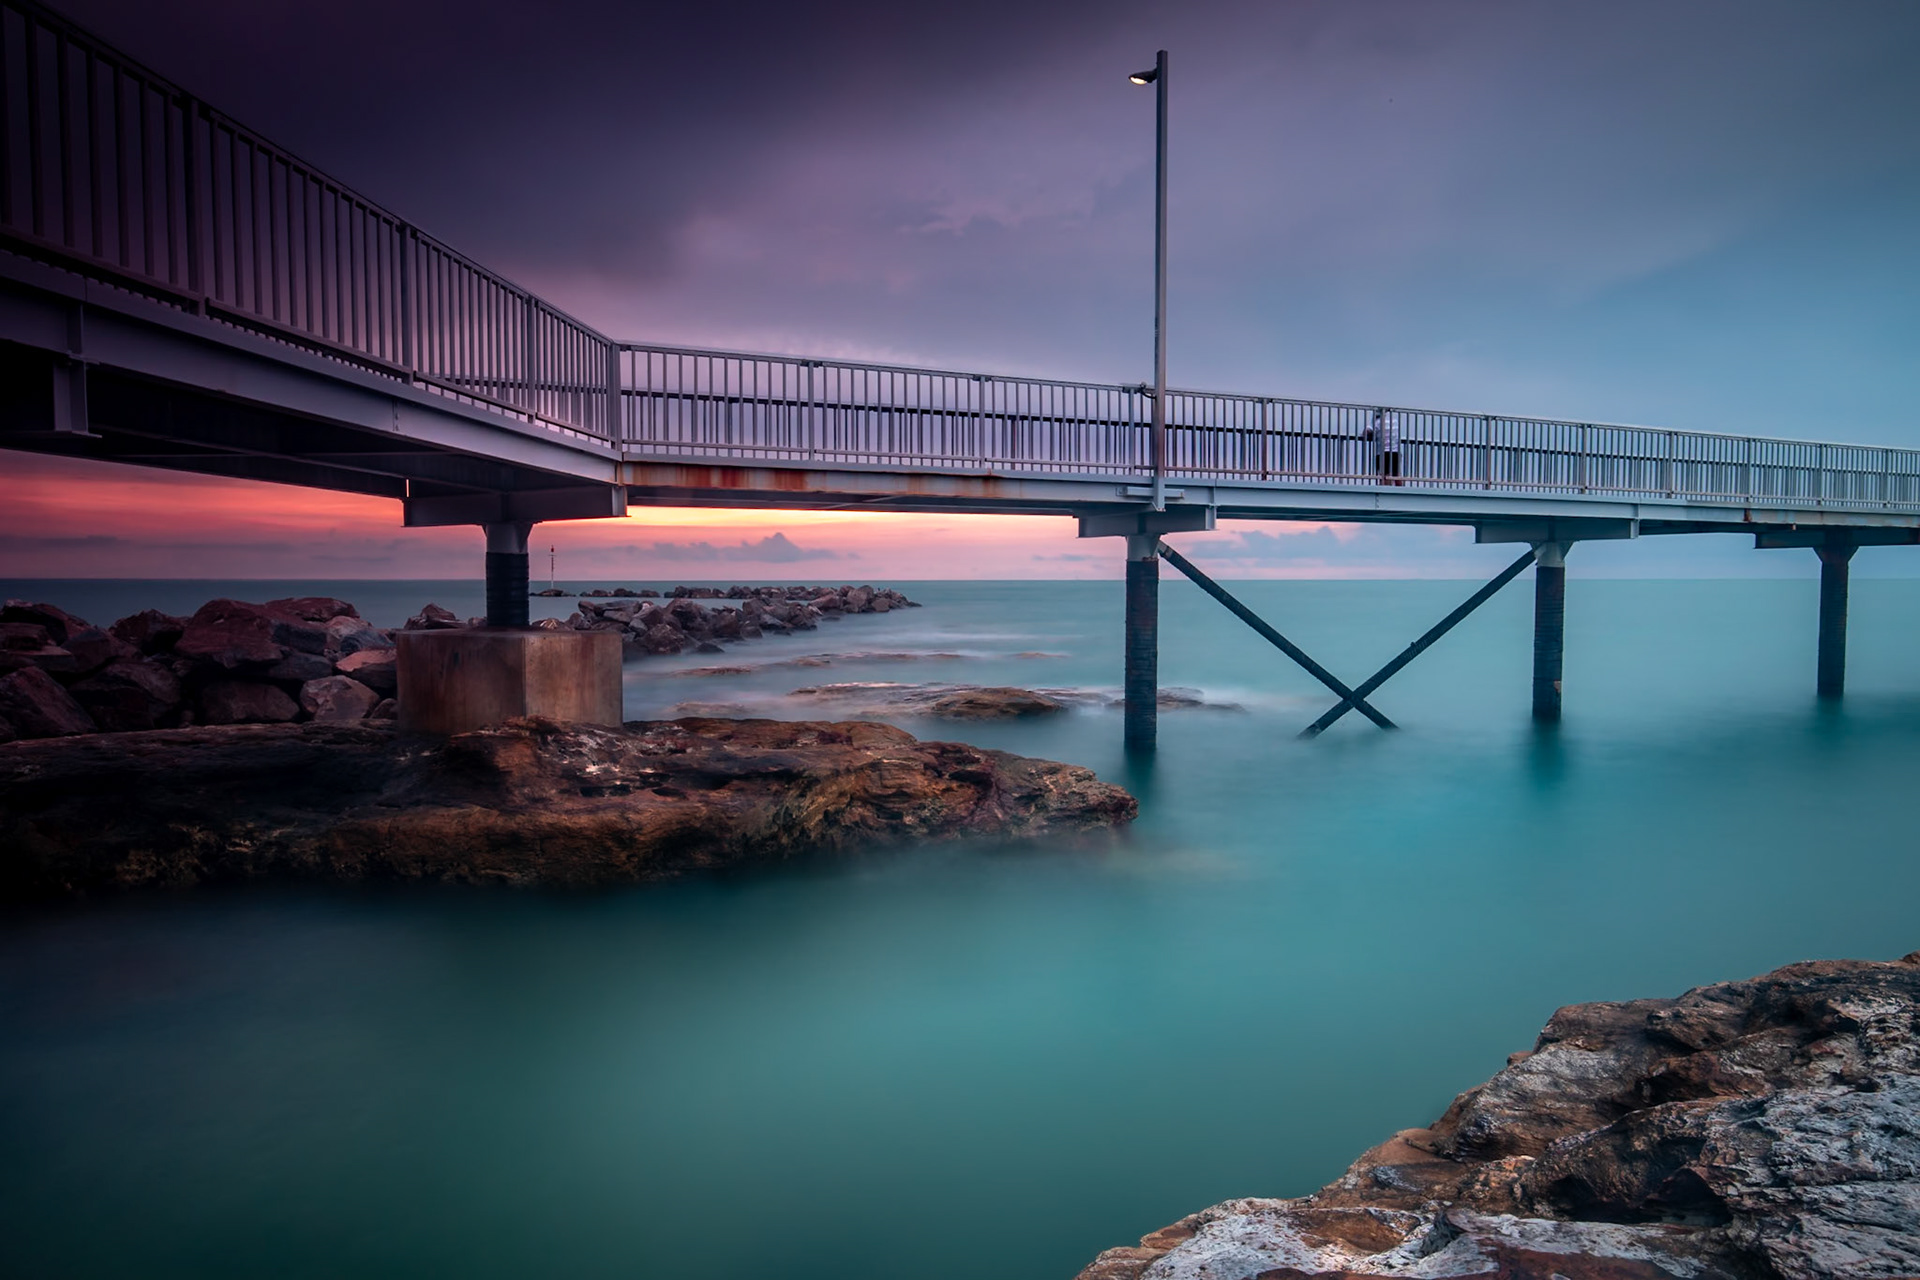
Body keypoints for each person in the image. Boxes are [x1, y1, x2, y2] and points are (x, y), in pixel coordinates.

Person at [1367, 408, 1402, 486]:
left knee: (1385, 475)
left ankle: (1385, 490)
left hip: (1383, 452)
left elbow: (1368, 432)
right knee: (1396, 474)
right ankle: (1400, 490)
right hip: (1395, 451)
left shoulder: (1377, 422)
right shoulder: (1395, 422)